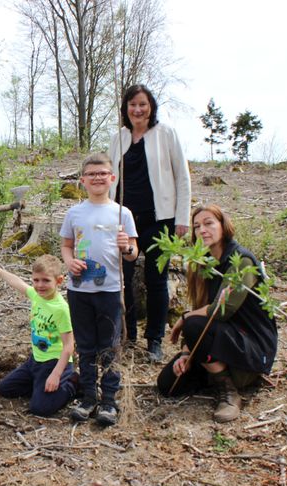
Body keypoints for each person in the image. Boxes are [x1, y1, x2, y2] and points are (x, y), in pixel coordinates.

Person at [156, 205, 278, 423]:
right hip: (221, 340)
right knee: (167, 384)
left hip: (250, 347)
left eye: (209, 223)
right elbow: (202, 311)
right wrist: (186, 354)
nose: (202, 230)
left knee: (192, 323)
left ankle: (229, 392)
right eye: (196, 226)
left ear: (224, 226)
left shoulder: (241, 261)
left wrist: (185, 318)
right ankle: (214, 370)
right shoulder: (204, 264)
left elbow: (221, 311)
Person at [108, 84, 191, 362]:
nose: (138, 110)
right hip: (125, 220)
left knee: (156, 280)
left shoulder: (165, 134)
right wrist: (108, 215)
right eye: (132, 105)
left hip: (160, 218)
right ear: (126, 108)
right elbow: (110, 177)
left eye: (143, 104)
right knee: (124, 277)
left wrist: (182, 218)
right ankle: (128, 334)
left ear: (151, 106)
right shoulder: (118, 138)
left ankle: (154, 339)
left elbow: (182, 177)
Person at [60, 153, 139, 426]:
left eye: (102, 173)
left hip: (110, 289)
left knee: (109, 346)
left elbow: (132, 253)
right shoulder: (74, 212)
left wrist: (125, 247)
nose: (97, 178)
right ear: (82, 180)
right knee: (85, 345)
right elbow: (66, 245)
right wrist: (69, 262)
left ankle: (109, 400)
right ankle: (88, 397)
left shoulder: (122, 213)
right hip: (79, 289)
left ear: (112, 178)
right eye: (91, 174)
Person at [0, 255, 76, 417]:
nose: (40, 285)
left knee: (40, 409)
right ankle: (40, 388)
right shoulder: (36, 296)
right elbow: (18, 283)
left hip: (54, 363)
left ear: (59, 280)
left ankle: (71, 384)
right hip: (35, 361)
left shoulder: (61, 309)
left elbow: (69, 346)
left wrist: (56, 375)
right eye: (36, 280)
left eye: (46, 281)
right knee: (5, 389)